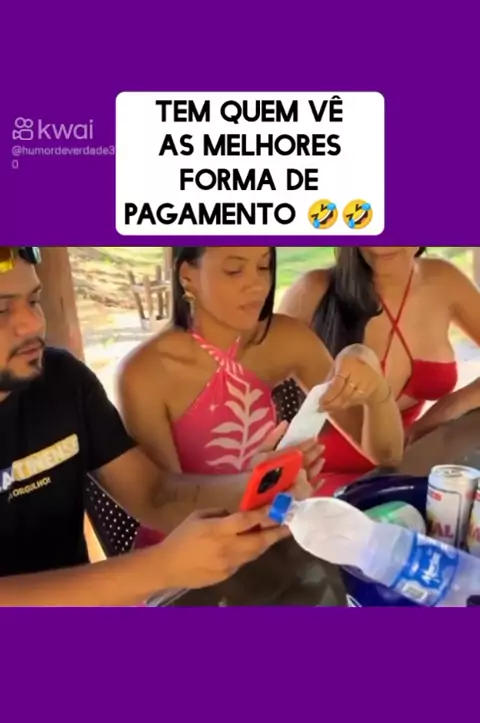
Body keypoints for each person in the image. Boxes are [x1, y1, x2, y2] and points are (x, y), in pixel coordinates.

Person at [0, 247, 299, 606]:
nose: (33, 324)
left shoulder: (62, 381)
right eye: (2, 310)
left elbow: (153, 494)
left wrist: (256, 485)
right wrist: (161, 567)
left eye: (33, 301)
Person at [117, 246, 404, 545]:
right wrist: (257, 486)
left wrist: (369, 375)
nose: (256, 285)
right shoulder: (144, 374)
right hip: (184, 553)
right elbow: (167, 508)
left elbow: (388, 454)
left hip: (269, 532)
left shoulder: (284, 340)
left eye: (264, 267)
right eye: (234, 270)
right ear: (187, 276)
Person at [278, 246, 480, 490]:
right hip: (317, 478)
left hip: (406, 467)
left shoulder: (444, 281)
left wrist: (449, 407)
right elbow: (258, 394)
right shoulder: (313, 291)